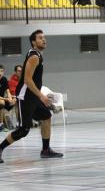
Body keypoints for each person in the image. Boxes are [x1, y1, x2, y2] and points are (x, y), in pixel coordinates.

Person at [0, 30, 63, 163]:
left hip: (32, 96)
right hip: (25, 97)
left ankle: (45, 150)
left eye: (44, 37)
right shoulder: (34, 56)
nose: (44, 40)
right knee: (24, 130)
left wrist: (41, 95)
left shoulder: (38, 55)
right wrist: (42, 96)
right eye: (40, 38)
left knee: (46, 116)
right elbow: (28, 80)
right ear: (34, 42)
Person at [0, 65, 15, 131]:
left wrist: (10, 98)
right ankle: (1, 124)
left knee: (15, 100)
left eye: (1, 71)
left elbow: (8, 91)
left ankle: (18, 123)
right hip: (2, 100)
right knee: (2, 103)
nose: (0, 73)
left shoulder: (4, 79)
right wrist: (6, 99)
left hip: (2, 99)